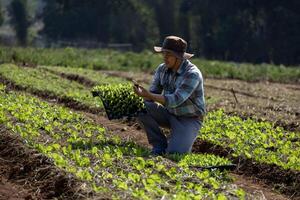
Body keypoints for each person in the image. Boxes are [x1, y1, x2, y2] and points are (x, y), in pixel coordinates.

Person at [133, 35, 205, 155]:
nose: (165, 58)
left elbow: (175, 100)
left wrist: (149, 95)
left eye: (169, 54)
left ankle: (178, 139)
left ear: (178, 57)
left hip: (189, 119)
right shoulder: (162, 69)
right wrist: (139, 96)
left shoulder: (192, 74)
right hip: (169, 113)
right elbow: (153, 93)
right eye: (164, 53)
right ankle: (159, 145)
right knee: (138, 107)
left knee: (174, 154)